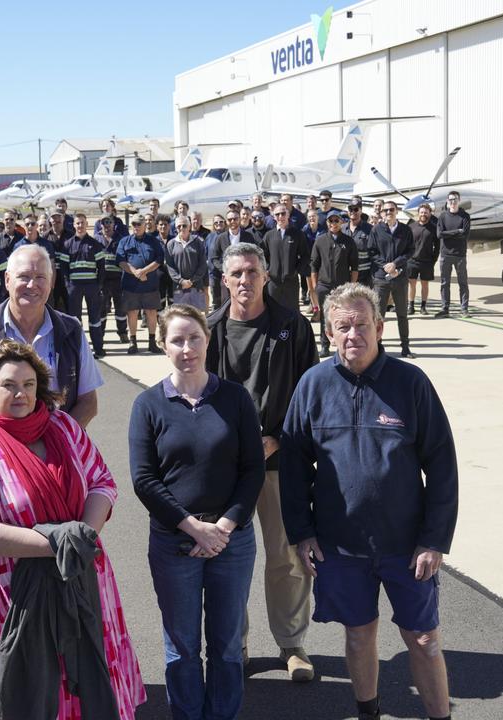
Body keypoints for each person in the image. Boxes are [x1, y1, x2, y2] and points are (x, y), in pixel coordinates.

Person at [279, 283, 458, 720]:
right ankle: (368, 713)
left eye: (361, 325)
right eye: (342, 327)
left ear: (379, 327)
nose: (352, 335)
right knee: (359, 636)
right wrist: (302, 533)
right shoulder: (312, 385)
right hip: (342, 546)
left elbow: (442, 467)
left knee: (423, 640)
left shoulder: (411, 383)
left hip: (406, 546)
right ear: (329, 332)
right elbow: (294, 467)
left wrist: (434, 539)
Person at [0, 341, 146, 720]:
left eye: (29, 384)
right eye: (9, 385)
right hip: (14, 587)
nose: (21, 394)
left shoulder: (62, 425)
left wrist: (80, 537)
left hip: (81, 573)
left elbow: (101, 483)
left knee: (92, 675)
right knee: (35, 688)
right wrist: (63, 543)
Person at [129, 304, 265, 720]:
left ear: (208, 341)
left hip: (232, 540)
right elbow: (144, 479)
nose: (186, 348)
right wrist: (192, 527)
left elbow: (253, 468)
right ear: (163, 345)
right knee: (182, 645)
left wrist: (222, 527)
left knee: (226, 645)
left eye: (194, 338)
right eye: (176, 340)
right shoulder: (148, 404)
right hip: (174, 542)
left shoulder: (235, 398)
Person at [206, 243, 319, 681]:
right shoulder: (211, 329)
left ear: (266, 277)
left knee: (286, 557)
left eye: (252, 271)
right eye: (236, 273)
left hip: (278, 462)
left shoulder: (292, 326)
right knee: (228, 560)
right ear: (224, 280)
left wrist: (277, 440)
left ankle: (292, 644)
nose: (244, 280)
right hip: (225, 469)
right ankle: (236, 645)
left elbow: (310, 397)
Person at [0, 245, 103, 428]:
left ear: (51, 282)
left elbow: (89, 403)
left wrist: (58, 439)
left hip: (59, 451)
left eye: (40, 277)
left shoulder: (72, 330)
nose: (32, 285)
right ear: (7, 280)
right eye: (24, 276)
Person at [311, 213, 360, 356]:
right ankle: (324, 345)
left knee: (343, 317)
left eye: (336, 221)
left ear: (342, 222)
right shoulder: (320, 241)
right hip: (324, 285)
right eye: (330, 221)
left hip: (342, 287)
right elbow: (314, 265)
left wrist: (352, 286)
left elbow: (355, 266)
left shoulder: (348, 241)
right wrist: (315, 286)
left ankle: (342, 345)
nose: (333, 223)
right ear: (327, 223)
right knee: (324, 317)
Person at [117, 214, 167, 354]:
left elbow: (159, 259)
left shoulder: (153, 241)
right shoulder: (124, 241)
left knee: (151, 312)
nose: (136, 227)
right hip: (130, 284)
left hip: (149, 283)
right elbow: (120, 260)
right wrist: (135, 272)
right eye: (134, 224)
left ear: (145, 225)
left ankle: (152, 342)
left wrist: (144, 271)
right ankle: (133, 342)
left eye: (139, 224)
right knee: (132, 313)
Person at [371, 201, 415, 358]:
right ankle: (377, 347)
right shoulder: (376, 230)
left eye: (391, 210)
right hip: (381, 279)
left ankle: (405, 347)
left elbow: (410, 251)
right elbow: (372, 252)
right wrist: (386, 266)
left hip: (400, 278)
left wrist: (396, 265)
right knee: (378, 316)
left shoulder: (405, 230)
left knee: (402, 314)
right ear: (382, 213)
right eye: (385, 210)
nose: (388, 212)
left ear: (397, 211)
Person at [62, 213, 108, 358]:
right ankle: (78, 348)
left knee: (95, 318)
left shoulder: (95, 244)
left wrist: (98, 285)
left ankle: (98, 348)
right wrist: (68, 285)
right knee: (75, 319)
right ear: (74, 225)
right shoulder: (67, 244)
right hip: (74, 287)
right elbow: (64, 268)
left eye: (82, 223)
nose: (80, 226)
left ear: (86, 224)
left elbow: (101, 266)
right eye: (77, 223)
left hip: (91, 286)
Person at [264, 204, 310, 309]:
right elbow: (262, 256)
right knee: (273, 312)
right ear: (274, 217)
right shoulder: (268, 236)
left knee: (292, 313)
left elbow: (305, 255)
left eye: (283, 213)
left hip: (291, 282)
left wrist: (296, 270)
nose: (280, 216)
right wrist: (268, 269)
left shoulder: (297, 234)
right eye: (277, 214)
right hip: (273, 282)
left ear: (288, 214)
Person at [436, 191, 471, 318]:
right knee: (445, 283)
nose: (453, 202)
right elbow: (440, 235)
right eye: (450, 199)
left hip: (460, 255)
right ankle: (445, 309)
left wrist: (448, 234)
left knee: (463, 283)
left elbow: (465, 235)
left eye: (455, 199)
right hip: (445, 255)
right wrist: (457, 231)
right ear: (447, 200)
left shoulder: (465, 216)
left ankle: (464, 309)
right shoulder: (442, 217)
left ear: (459, 200)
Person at [96, 214, 130, 344]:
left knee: (120, 308)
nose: (107, 225)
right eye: (104, 222)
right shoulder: (96, 239)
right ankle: (101, 334)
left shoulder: (121, 239)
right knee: (102, 308)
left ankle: (122, 333)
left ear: (113, 223)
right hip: (102, 280)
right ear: (100, 224)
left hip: (117, 279)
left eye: (109, 222)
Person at [167, 216, 210, 311]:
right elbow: (170, 267)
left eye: (184, 225)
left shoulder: (198, 242)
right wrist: (181, 281)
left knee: (196, 315)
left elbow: (202, 264)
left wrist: (192, 281)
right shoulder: (171, 244)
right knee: (181, 315)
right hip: (179, 286)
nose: (182, 228)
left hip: (196, 285)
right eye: (179, 226)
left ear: (189, 226)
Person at [208, 210, 245, 308]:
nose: (232, 221)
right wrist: (224, 269)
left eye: (235, 219)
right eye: (230, 219)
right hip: (228, 277)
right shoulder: (221, 238)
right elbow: (214, 258)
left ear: (239, 219)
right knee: (227, 303)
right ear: (227, 222)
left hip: (244, 277)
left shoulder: (248, 236)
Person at [408, 205, 440, 316]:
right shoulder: (411, 227)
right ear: (418, 213)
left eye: (426, 212)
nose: (423, 214)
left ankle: (423, 307)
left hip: (427, 262)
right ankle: (411, 306)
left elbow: (437, 246)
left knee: (425, 285)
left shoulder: (434, 228)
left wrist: (434, 260)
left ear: (430, 214)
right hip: (412, 261)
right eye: (421, 212)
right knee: (412, 284)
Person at [345, 202, 376, 288]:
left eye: (356, 209)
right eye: (351, 209)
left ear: (361, 211)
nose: (353, 212)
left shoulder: (370, 229)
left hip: (364, 276)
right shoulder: (342, 228)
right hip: (345, 275)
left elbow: (375, 252)